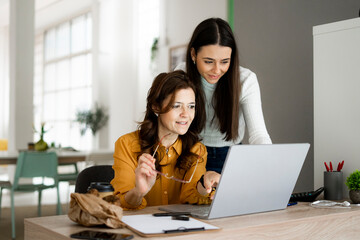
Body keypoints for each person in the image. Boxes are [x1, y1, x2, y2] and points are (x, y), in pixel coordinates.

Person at [111, 70, 220, 210]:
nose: (186, 114)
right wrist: (139, 192)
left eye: (191, 106)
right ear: (156, 106)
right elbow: (120, 203)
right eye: (176, 105)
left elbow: (191, 196)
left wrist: (205, 184)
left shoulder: (197, 150)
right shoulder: (127, 144)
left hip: (181, 228)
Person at [176, 18, 272, 173]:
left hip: (231, 156)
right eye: (208, 61)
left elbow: (258, 134)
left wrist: (269, 158)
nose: (216, 70)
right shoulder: (181, 75)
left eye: (224, 61)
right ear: (193, 54)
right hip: (190, 153)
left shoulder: (246, 80)